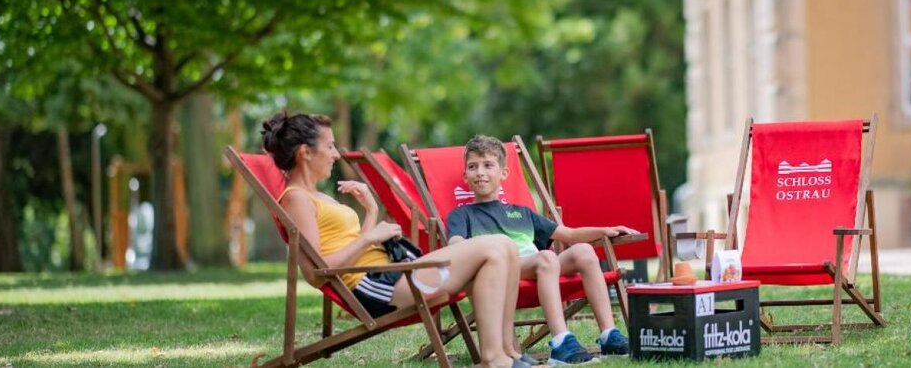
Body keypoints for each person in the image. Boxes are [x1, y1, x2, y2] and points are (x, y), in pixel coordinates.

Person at [262, 112, 527, 368]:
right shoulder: (296, 199)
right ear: (305, 153)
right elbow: (317, 272)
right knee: (495, 246)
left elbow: (353, 245)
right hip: (379, 287)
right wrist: (370, 238)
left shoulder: (319, 197)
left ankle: (506, 352)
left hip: (394, 272)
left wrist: (371, 212)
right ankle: (494, 360)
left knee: (503, 246)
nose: (335, 154)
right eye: (330, 146)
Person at [446, 135, 640, 365]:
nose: (480, 172)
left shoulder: (522, 212)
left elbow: (569, 234)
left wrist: (606, 229)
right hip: (502, 269)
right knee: (547, 258)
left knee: (584, 251)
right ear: (465, 176)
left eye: (488, 165)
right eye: (473, 167)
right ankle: (561, 343)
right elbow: (455, 245)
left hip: (537, 265)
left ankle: (609, 336)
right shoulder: (462, 214)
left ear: (504, 173)